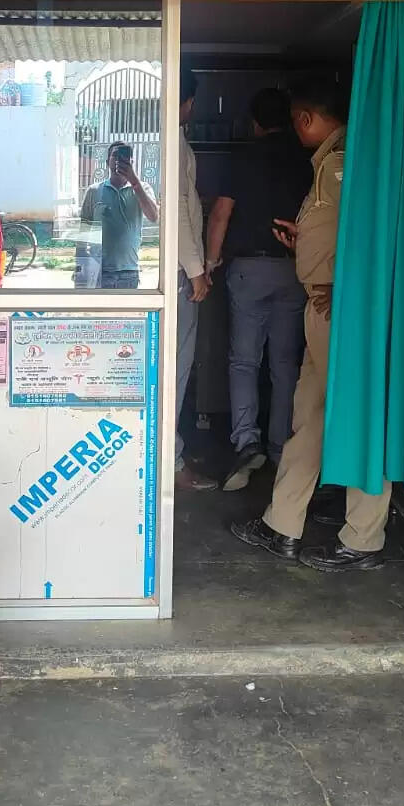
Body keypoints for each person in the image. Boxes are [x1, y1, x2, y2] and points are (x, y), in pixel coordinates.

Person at [231, 74, 394, 572]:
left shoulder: (342, 162)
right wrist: (305, 245)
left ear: (305, 118)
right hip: (324, 307)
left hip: (343, 311)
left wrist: (344, 291)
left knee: (355, 414)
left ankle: (363, 537)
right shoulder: (328, 162)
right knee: (310, 414)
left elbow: (371, 237)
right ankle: (283, 523)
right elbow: (340, 232)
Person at [205, 88, 311, 491]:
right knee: (285, 364)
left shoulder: (243, 156)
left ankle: (247, 442)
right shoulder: (306, 159)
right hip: (293, 268)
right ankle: (282, 447)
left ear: (255, 122)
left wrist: (210, 263)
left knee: (244, 361)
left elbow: (221, 214)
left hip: (249, 269)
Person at [174, 67, 216, 491]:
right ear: (187, 102)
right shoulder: (175, 143)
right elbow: (179, 213)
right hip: (178, 274)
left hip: (172, 269)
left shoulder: (169, 140)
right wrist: (197, 271)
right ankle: (171, 462)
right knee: (176, 367)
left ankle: (172, 452)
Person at [79, 141, 159, 289]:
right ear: (107, 161)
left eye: (124, 156)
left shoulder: (143, 188)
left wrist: (135, 182)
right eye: (115, 155)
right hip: (99, 271)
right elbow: (83, 232)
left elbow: (153, 216)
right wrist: (80, 267)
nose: (118, 159)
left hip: (129, 271)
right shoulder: (94, 191)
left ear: (131, 161)